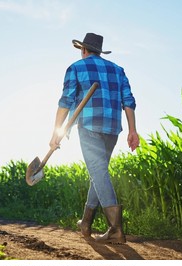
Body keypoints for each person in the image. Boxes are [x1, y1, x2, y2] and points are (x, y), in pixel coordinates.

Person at [49, 33, 139, 244]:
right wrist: (132, 130)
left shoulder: (76, 68)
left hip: (89, 126)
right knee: (98, 173)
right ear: (98, 50)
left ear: (83, 50)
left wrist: (55, 132)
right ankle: (86, 223)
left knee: (98, 172)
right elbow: (128, 101)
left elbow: (66, 100)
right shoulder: (118, 70)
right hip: (112, 128)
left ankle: (115, 229)